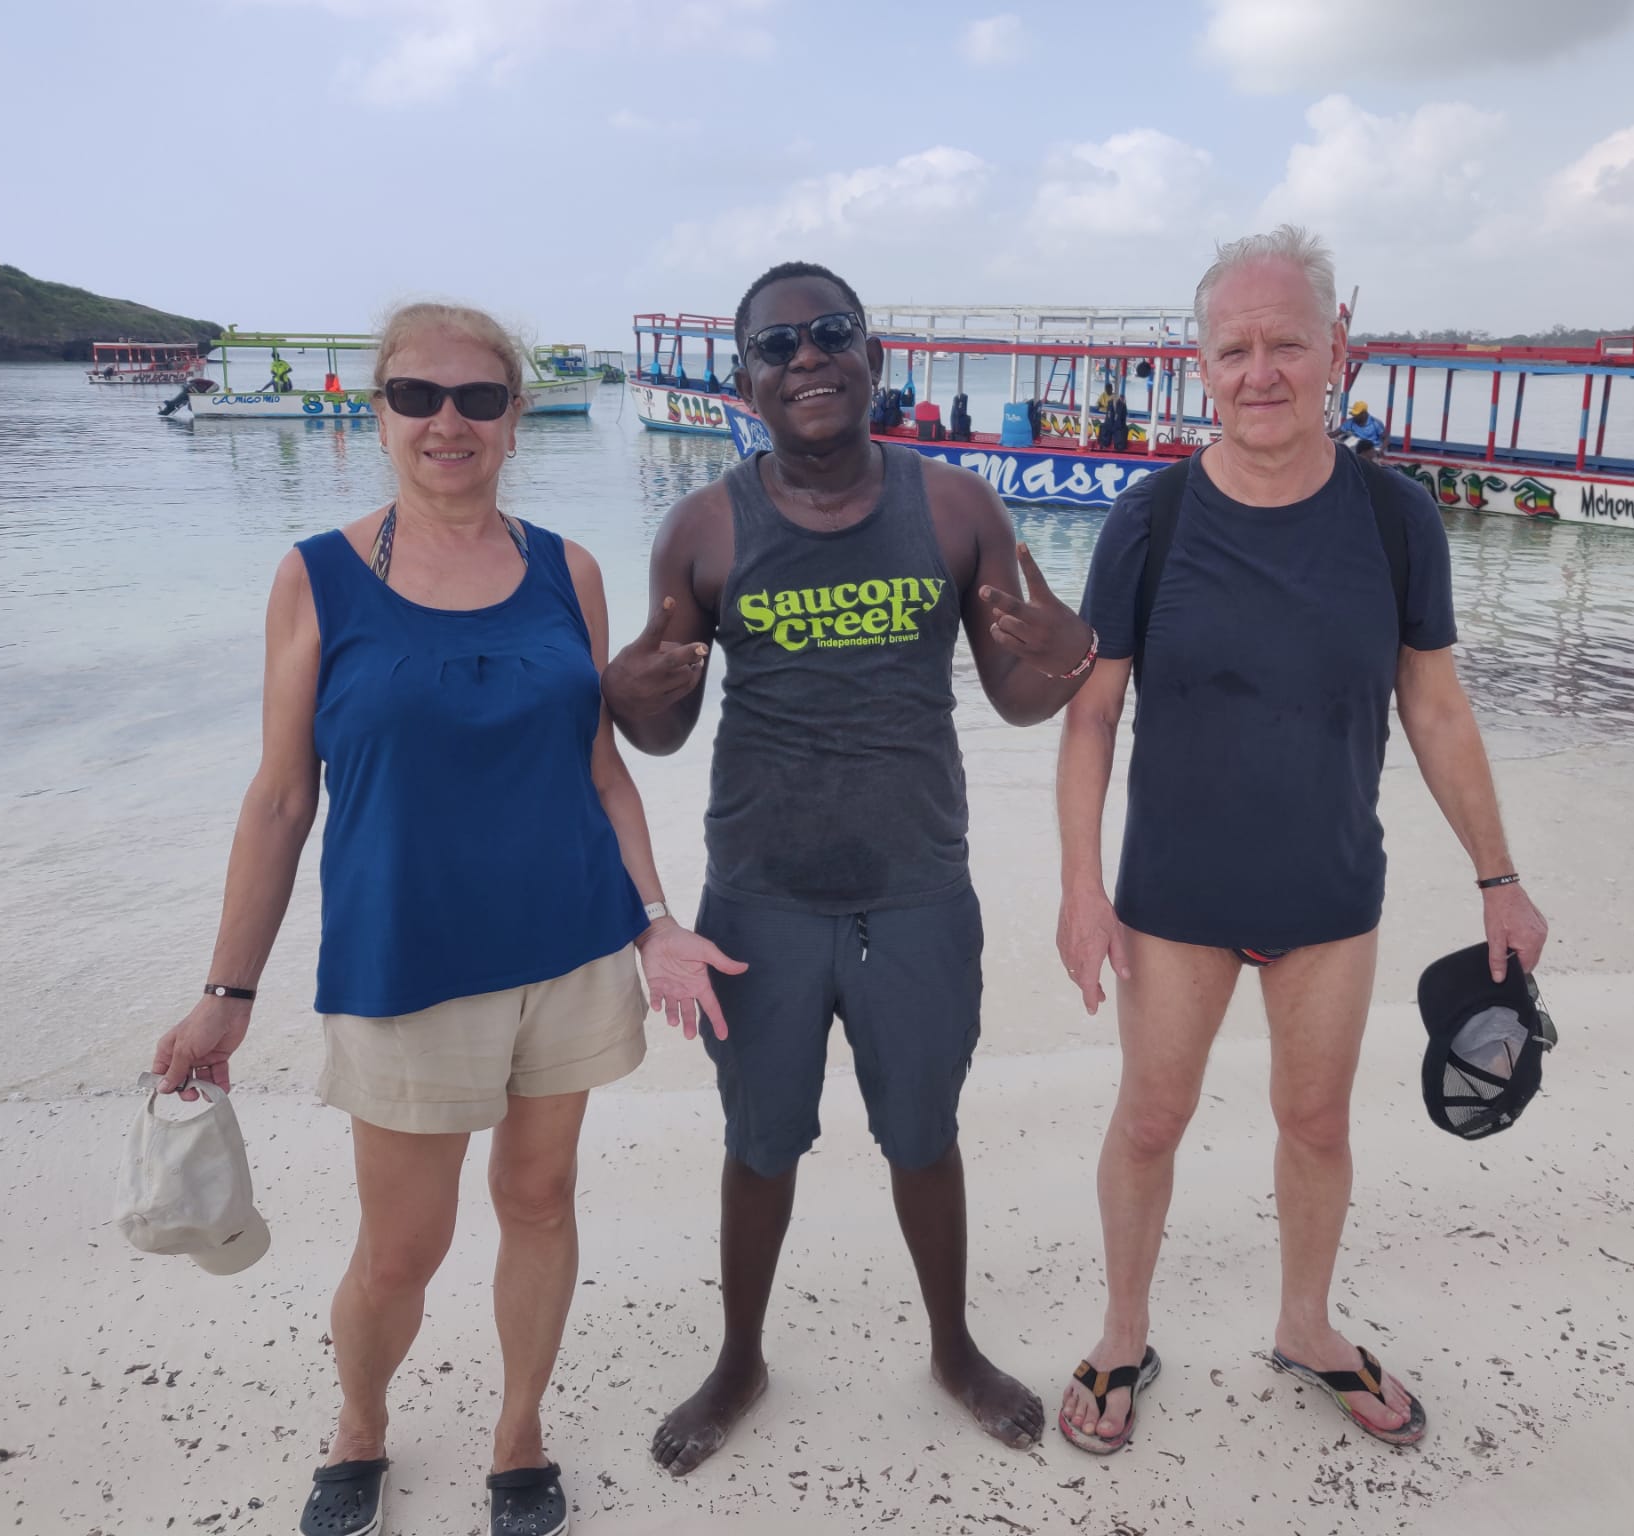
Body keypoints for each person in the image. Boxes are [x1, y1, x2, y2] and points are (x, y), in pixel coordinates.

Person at [149, 301, 738, 1536]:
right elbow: (280, 797)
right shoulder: (315, 575)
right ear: (378, 414)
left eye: (478, 397)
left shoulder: (567, 569)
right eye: (416, 396)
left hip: (568, 953)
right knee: (399, 1252)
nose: (447, 422)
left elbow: (600, 769)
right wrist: (226, 991)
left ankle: (519, 1433)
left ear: (515, 418)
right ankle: (360, 1424)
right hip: (402, 963)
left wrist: (655, 919)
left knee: (540, 1201)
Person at [1052, 226, 1549, 1456]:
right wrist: (1079, 887)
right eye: (1233, 350)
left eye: (1285, 344)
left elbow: (1434, 706)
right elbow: (1091, 712)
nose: (1259, 372)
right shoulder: (1150, 517)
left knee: (1316, 1124)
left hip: (1329, 890)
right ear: (1200, 366)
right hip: (1172, 896)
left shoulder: (1394, 518)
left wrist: (1498, 877)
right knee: (1150, 1120)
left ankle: (1306, 1325)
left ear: (1337, 349)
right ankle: (1121, 1332)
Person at [600, 260, 1099, 1476]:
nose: (807, 358)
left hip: (916, 888)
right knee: (759, 1143)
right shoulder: (702, 527)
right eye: (776, 346)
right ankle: (739, 1358)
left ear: (872, 355)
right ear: (745, 383)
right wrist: (627, 693)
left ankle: (952, 1348)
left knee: (922, 1135)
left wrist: (1073, 654)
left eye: (830, 333)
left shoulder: (955, 507)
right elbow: (663, 728)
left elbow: (1018, 696)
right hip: (757, 897)